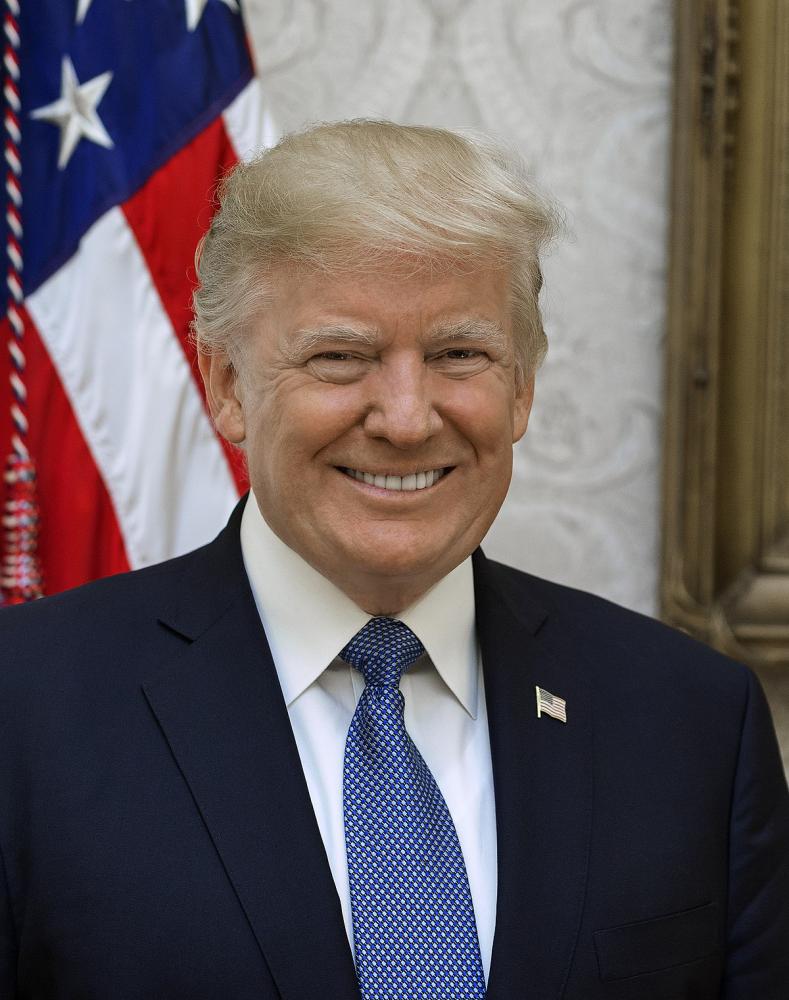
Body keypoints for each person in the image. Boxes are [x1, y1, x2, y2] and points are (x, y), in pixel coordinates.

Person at [0, 120, 787, 1000]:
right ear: (226, 386)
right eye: (341, 358)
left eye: (460, 355)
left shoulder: (691, 722)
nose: (407, 417)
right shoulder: (24, 710)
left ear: (521, 386)